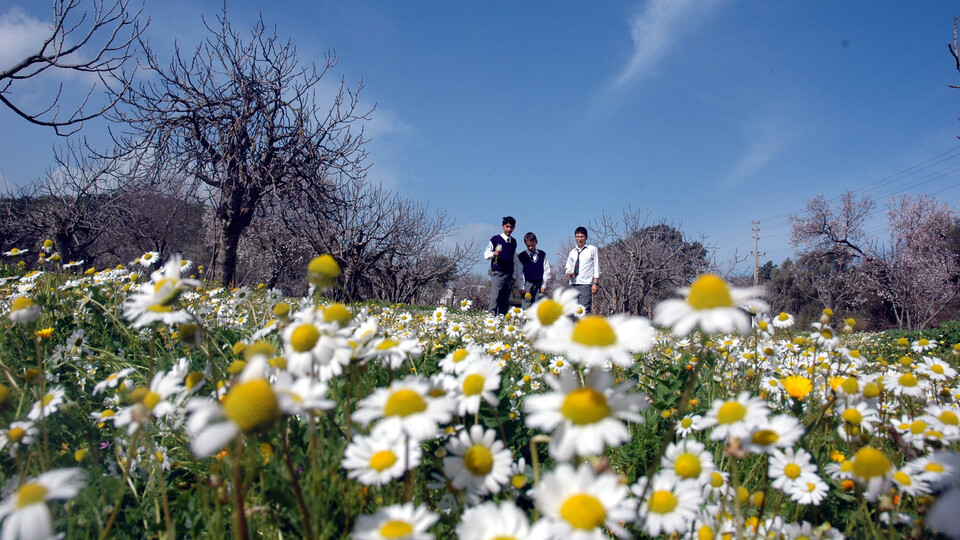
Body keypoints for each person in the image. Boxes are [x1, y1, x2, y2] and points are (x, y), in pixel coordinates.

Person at [483, 216, 518, 316]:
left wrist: (514, 276)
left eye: (511, 227)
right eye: (507, 226)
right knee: (495, 297)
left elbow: (514, 259)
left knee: (505, 299)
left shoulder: (513, 242)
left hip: (509, 273)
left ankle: (501, 319)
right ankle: (490, 318)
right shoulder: (495, 239)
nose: (509, 229)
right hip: (498, 272)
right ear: (502, 226)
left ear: (514, 228)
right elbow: (486, 254)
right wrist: (494, 254)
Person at [565, 226, 600, 314]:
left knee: (584, 310)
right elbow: (568, 267)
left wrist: (595, 283)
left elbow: (596, 266)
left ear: (586, 237)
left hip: (586, 284)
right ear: (574, 237)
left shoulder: (592, 249)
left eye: (582, 237)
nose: (579, 239)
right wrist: (568, 273)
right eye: (577, 237)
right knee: (572, 311)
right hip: (573, 283)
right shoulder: (572, 252)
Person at [517, 232, 552, 309]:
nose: (530, 247)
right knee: (526, 305)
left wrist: (544, 285)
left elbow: (546, 270)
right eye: (528, 246)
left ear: (536, 242)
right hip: (527, 284)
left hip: (539, 284)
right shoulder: (521, 256)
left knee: (537, 305)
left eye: (532, 245)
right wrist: (521, 286)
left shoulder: (542, 254)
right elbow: (520, 272)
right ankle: (525, 320)